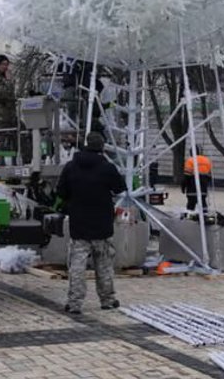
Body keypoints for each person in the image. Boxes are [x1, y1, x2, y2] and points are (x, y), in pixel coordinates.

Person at [56, 131, 125, 313]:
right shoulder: (107, 168)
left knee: (77, 266)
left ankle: (75, 303)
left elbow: (61, 192)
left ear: (85, 144)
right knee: (104, 265)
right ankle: (107, 300)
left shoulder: (71, 167)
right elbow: (120, 188)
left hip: (79, 224)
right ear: (102, 147)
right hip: (102, 224)